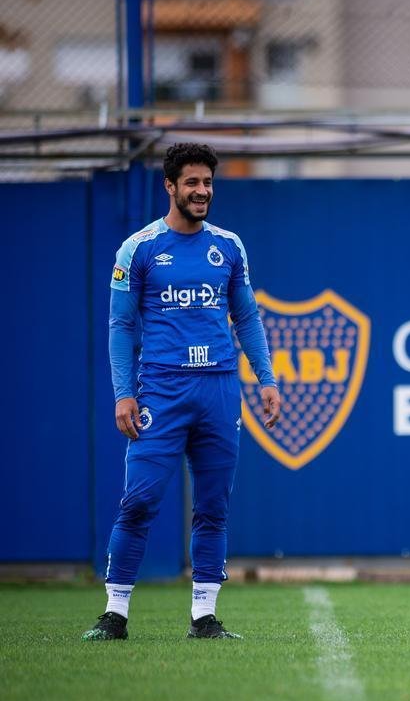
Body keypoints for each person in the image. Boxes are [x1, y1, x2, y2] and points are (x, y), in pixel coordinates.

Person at [83, 143, 280, 642]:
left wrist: (267, 379)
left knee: (214, 505)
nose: (201, 191)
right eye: (191, 182)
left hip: (218, 388)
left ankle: (204, 617)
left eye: (207, 182)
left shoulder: (228, 247)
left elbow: (247, 317)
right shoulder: (138, 248)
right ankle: (114, 614)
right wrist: (123, 393)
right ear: (169, 186)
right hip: (161, 391)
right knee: (140, 500)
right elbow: (121, 325)